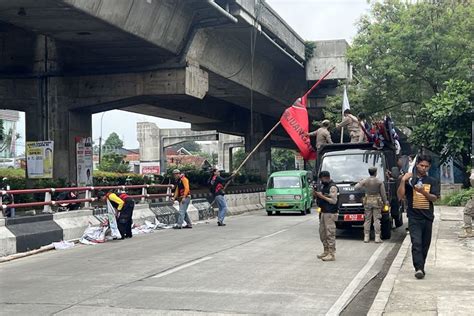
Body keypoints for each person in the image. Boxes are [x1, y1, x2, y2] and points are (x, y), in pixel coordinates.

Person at [397, 155, 440, 279]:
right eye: (422, 165)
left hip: (427, 217)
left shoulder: (432, 181)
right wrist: (402, 181)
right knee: (416, 242)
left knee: (425, 244)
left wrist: (424, 193)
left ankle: (421, 265)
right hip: (414, 217)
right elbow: (400, 196)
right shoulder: (411, 180)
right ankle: (418, 268)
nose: (424, 168)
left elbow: (435, 198)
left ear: (429, 167)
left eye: (426, 166)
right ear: (417, 165)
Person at [355, 167, 388, 243]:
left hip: (367, 201)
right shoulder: (379, 181)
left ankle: (366, 237)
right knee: (377, 219)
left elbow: (356, 187)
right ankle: (377, 237)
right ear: (375, 172)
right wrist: (385, 202)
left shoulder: (365, 181)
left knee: (367, 219)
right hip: (377, 201)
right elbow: (383, 194)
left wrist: (360, 182)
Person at [315, 171, 339, 261]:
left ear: (326, 177)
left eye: (322, 179)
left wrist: (322, 197)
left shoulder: (332, 187)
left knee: (330, 233)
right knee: (323, 233)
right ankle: (326, 251)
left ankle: (331, 254)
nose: (321, 181)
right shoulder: (324, 186)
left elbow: (334, 201)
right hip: (323, 212)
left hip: (330, 213)